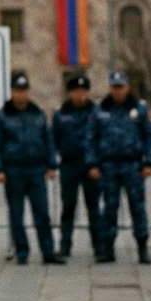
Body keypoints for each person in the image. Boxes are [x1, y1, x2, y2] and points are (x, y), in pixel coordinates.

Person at [0, 74, 66, 265]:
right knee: (16, 214)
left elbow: (48, 141)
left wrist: (51, 165)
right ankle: (22, 251)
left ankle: (47, 251)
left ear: (28, 92)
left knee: (42, 213)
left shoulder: (38, 114)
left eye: (23, 91)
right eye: (17, 91)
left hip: (35, 170)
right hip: (13, 170)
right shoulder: (2, 116)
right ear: (12, 92)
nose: (20, 95)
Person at [86, 72, 151, 265]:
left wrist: (149, 162)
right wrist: (92, 163)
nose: (118, 91)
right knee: (109, 208)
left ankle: (142, 248)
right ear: (110, 88)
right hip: (108, 167)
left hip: (133, 165)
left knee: (138, 207)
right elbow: (91, 138)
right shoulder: (100, 109)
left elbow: (150, 136)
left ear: (127, 87)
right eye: (114, 87)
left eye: (121, 87)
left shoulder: (140, 109)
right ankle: (108, 250)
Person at [53, 74, 100, 258]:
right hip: (69, 166)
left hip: (90, 167)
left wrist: (97, 162)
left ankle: (99, 245)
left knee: (94, 207)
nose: (80, 95)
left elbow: (100, 139)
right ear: (70, 93)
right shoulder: (61, 113)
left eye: (83, 92)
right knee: (68, 207)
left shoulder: (96, 112)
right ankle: (65, 245)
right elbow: (54, 139)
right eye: (76, 92)